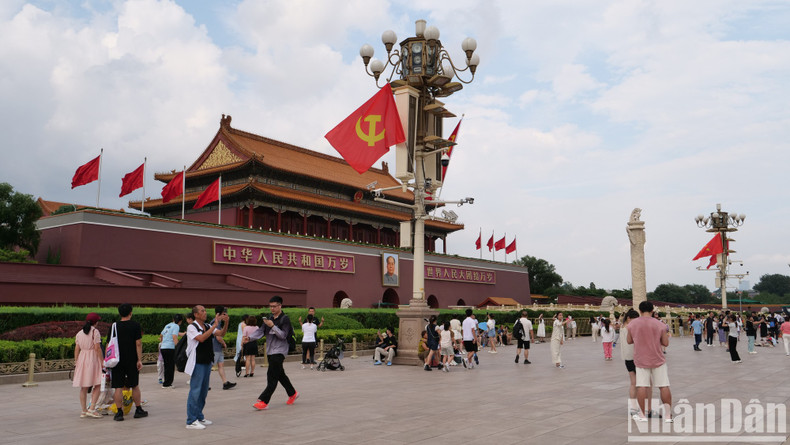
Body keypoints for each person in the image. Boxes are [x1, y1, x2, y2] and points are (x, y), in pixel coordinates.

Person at [246, 296, 299, 411]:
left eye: (274, 306)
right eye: (270, 306)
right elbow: (261, 332)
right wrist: (249, 338)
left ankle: (264, 401)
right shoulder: (269, 318)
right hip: (270, 351)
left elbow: (283, 335)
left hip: (280, 351)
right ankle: (293, 393)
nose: (272, 309)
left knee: (272, 376)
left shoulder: (285, 319)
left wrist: (272, 326)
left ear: (280, 306)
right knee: (281, 375)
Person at [627, 301, 672, 423]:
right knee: (663, 386)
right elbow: (665, 343)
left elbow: (629, 341)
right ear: (652, 310)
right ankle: (668, 415)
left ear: (640, 311)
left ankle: (642, 414)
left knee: (642, 386)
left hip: (641, 359)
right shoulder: (660, 325)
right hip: (657, 359)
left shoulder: (632, 324)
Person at [185, 305, 227, 429]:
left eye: (205, 310)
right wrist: (215, 325)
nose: (205, 313)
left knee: (203, 392)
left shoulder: (207, 326)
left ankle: (199, 416)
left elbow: (221, 334)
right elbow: (201, 338)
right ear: (196, 314)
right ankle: (191, 420)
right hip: (197, 362)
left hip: (207, 361)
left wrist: (225, 323)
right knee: (195, 391)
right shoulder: (191, 327)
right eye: (202, 311)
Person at [108, 303, 147, 421]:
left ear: (119, 313)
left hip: (117, 360)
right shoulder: (135, 325)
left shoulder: (114, 326)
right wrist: (139, 359)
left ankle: (119, 412)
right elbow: (138, 343)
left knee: (118, 387)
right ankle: (138, 409)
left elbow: (109, 344)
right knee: (134, 385)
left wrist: (107, 360)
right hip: (131, 359)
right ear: (131, 312)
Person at [73, 312, 104, 418]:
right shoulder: (95, 332)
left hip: (82, 358)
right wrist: (102, 361)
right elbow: (97, 348)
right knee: (98, 383)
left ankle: (84, 410)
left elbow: (77, 349)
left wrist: (76, 361)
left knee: (84, 386)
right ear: (96, 322)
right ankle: (92, 408)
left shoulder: (79, 333)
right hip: (93, 358)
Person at [209, 306, 236, 390]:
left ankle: (225, 382)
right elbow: (218, 336)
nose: (226, 315)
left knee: (221, 365)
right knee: (209, 367)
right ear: (221, 314)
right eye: (225, 314)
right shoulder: (215, 322)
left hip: (217, 348)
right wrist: (223, 343)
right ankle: (204, 384)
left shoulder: (218, 322)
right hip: (214, 347)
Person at [160, 314, 182, 388]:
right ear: (180, 321)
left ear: (173, 319)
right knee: (170, 366)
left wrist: (162, 342)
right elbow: (174, 336)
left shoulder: (168, 325)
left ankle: (166, 382)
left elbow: (161, 335)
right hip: (170, 348)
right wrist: (178, 347)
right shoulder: (176, 326)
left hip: (163, 348)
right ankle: (167, 384)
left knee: (166, 365)